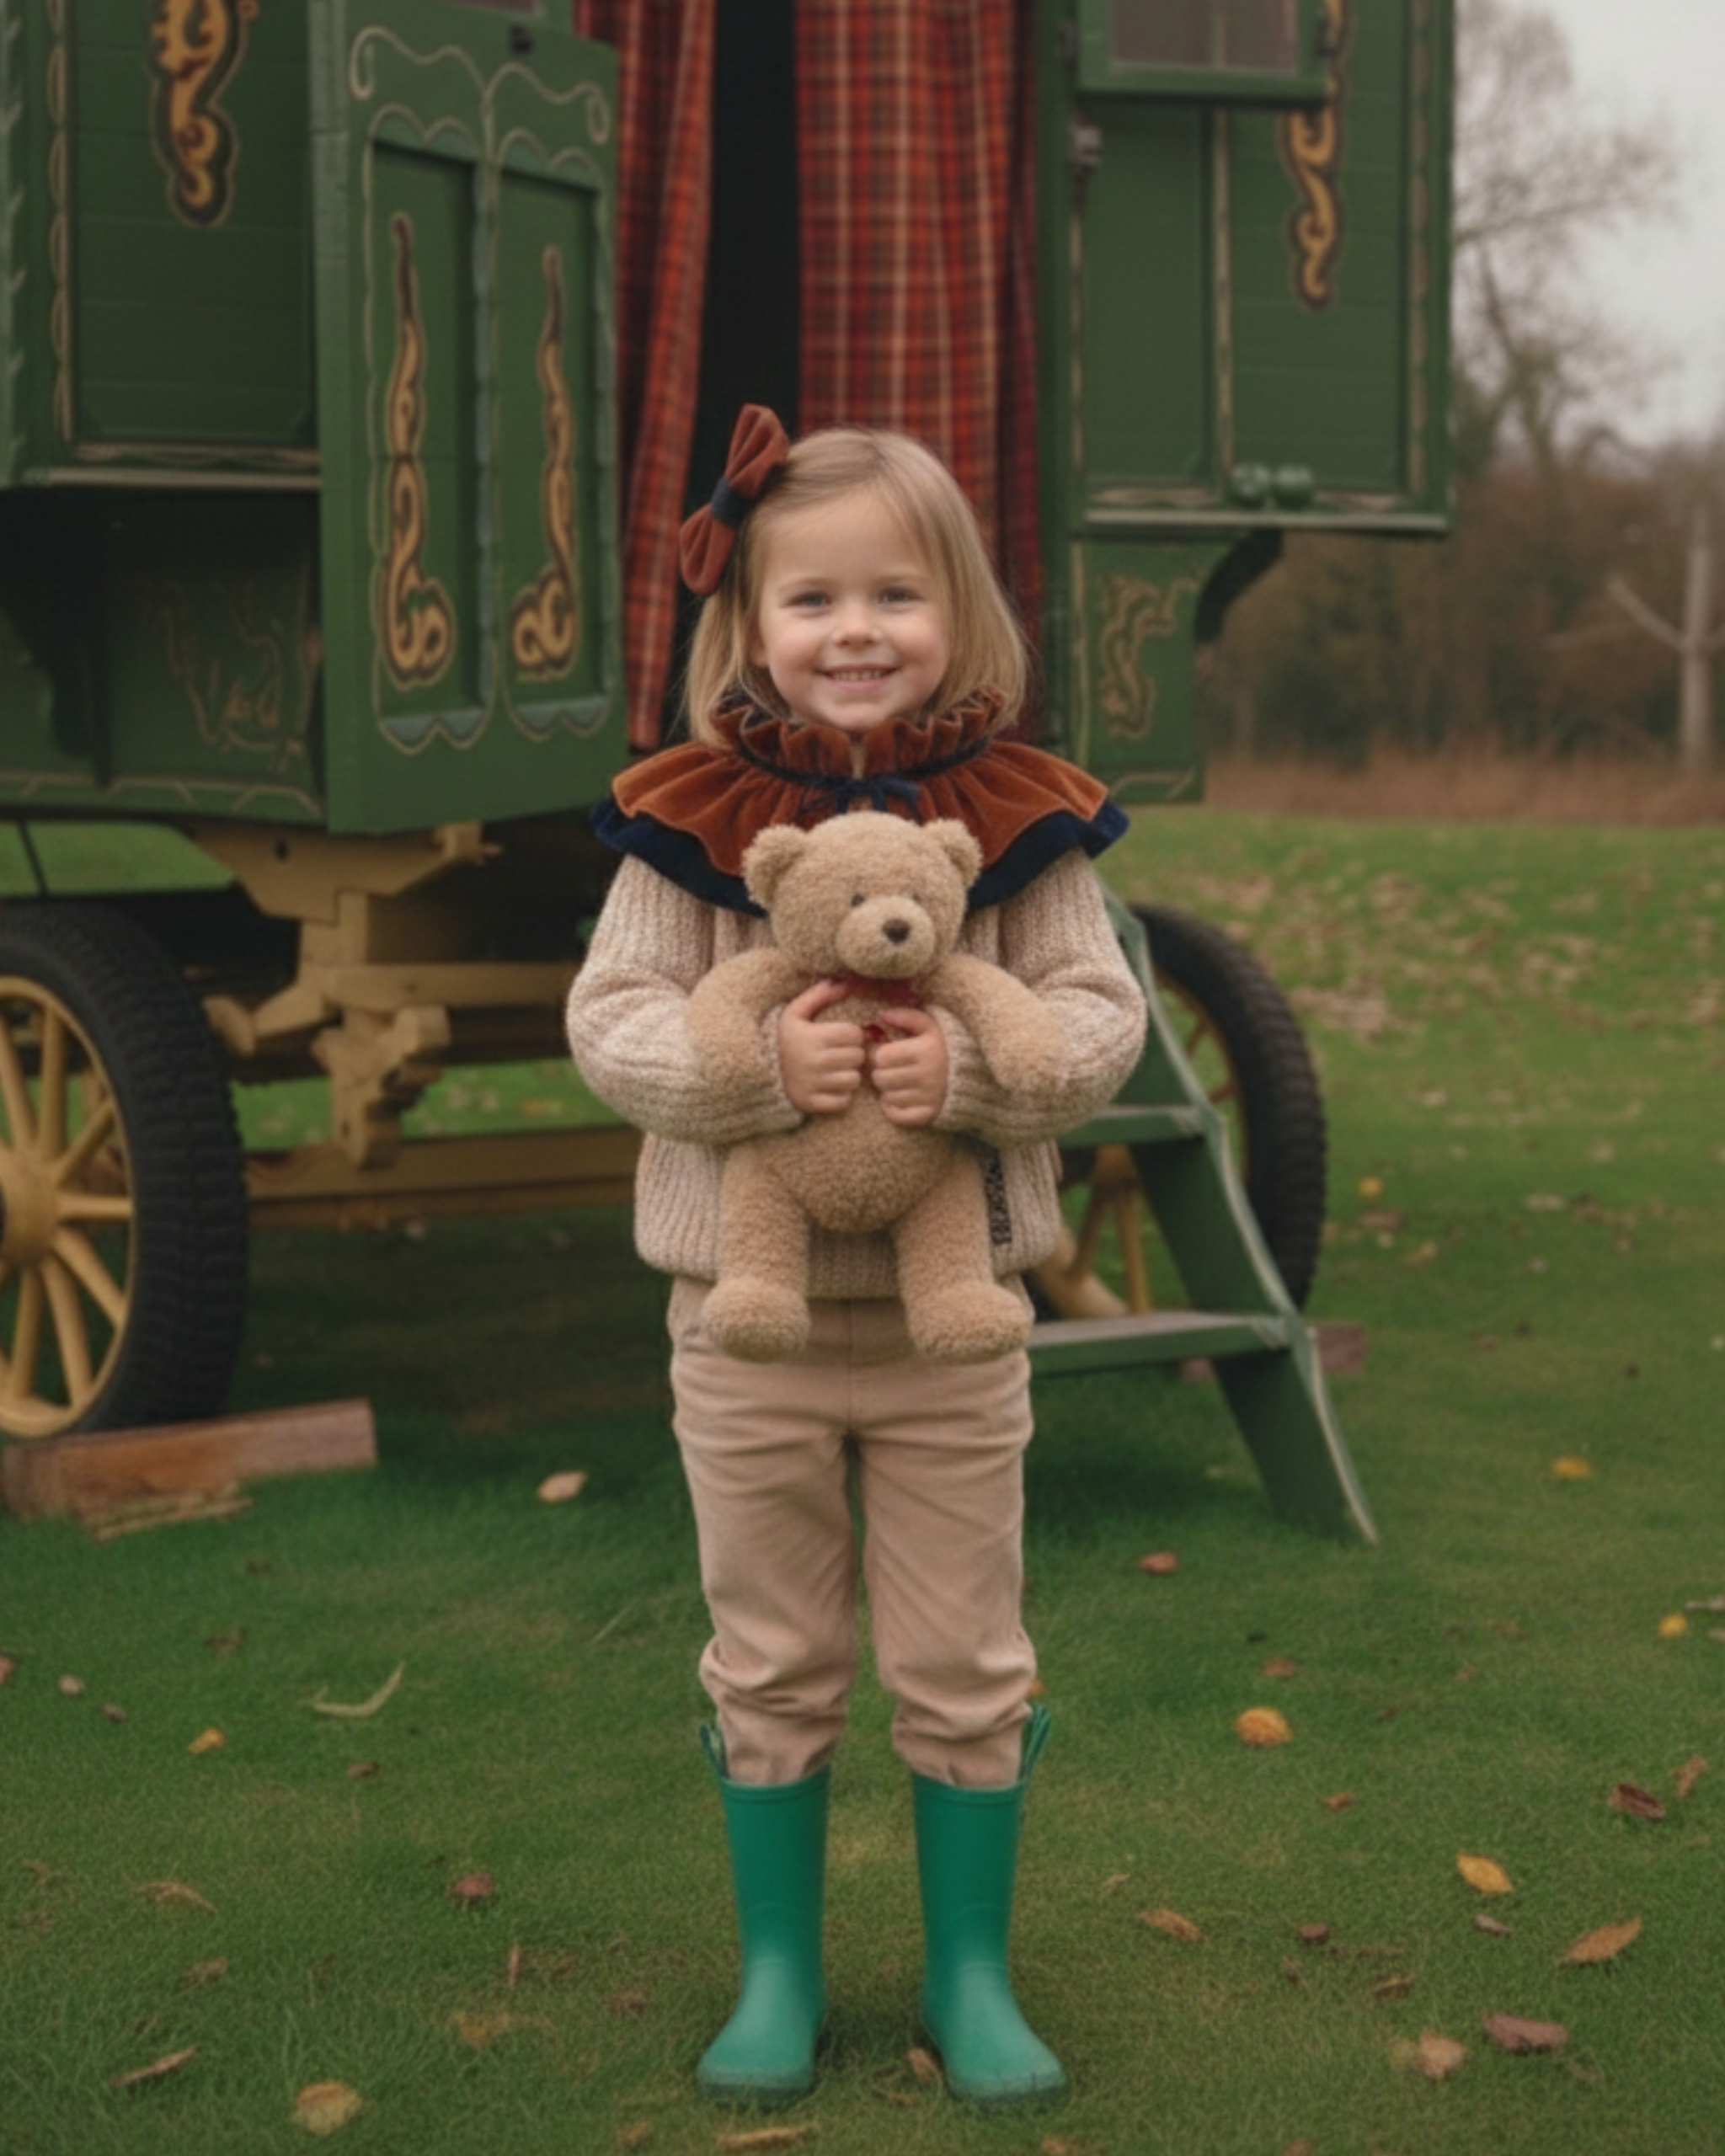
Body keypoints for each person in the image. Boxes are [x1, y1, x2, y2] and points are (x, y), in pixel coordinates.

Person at [565, 406, 1146, 2106]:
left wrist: (970, 1072)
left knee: (965, 1650)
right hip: (740, 1328)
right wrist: (751, 1071)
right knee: (768, 1646)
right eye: (810, 599)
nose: (854, 631)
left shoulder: (1015, 820)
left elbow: (1101, 1017)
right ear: (747, 626)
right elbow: (608, 1019)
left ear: (959, 612)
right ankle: (779, 1971)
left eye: (894, 593)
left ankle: (970, 1970)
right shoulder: (686, 820)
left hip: (952, 1330)